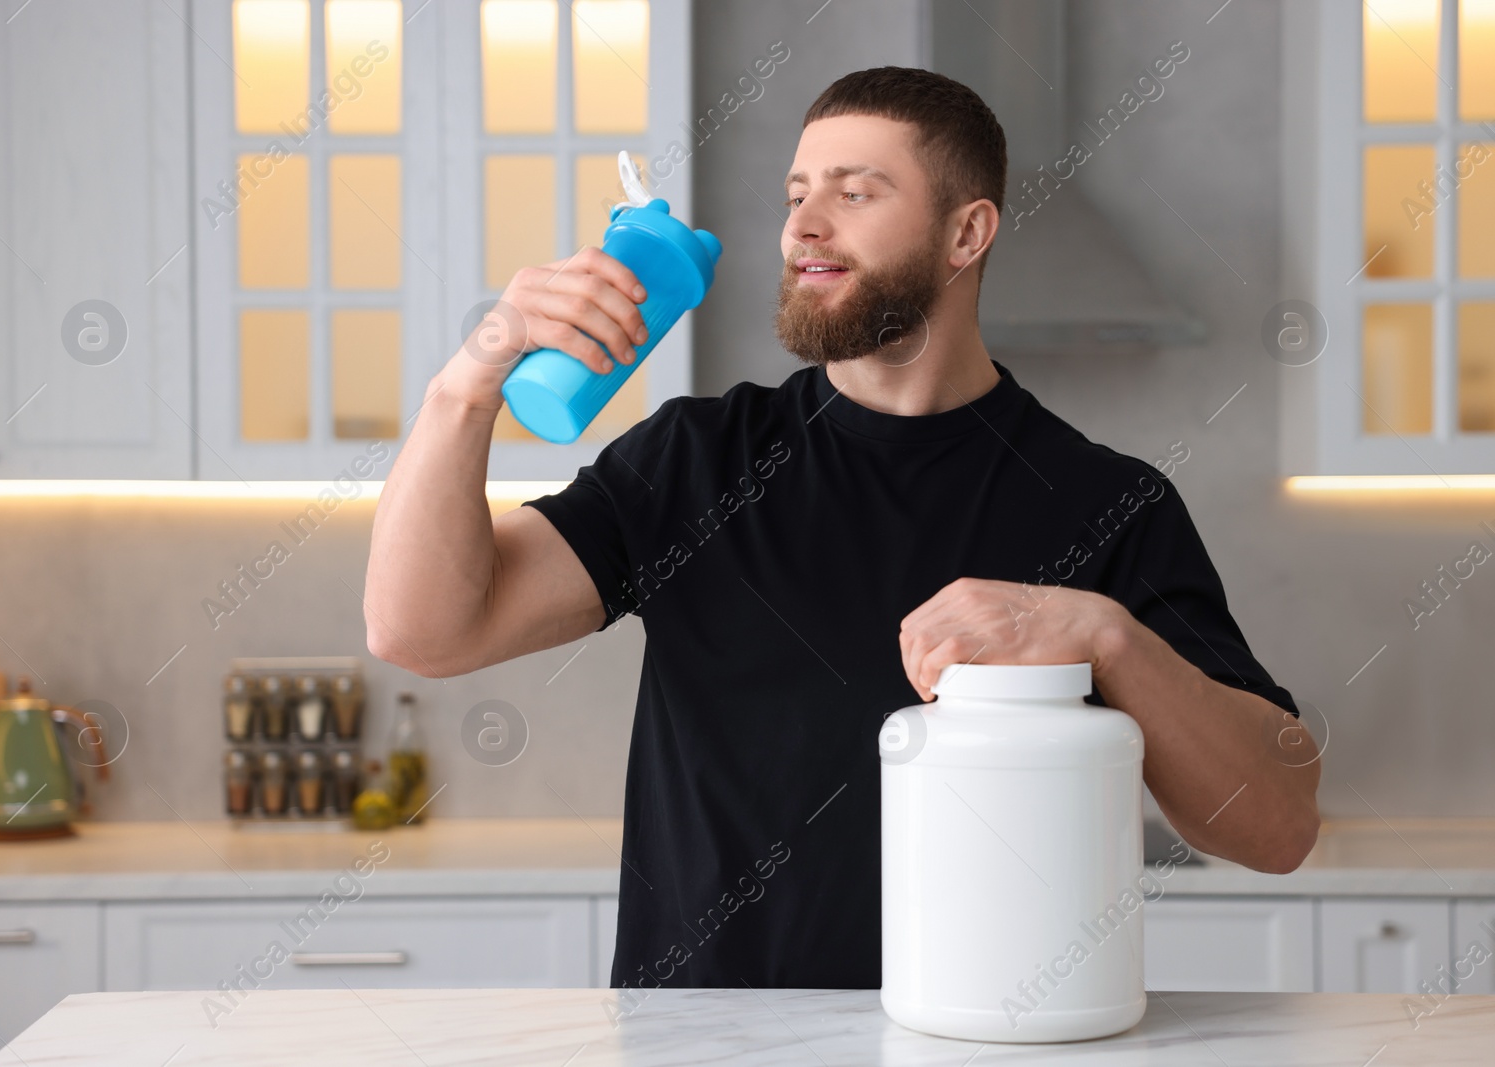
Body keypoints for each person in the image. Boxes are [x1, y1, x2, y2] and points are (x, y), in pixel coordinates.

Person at [364, 66, 1320, 990]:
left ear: (966, 233)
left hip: (984, 1039)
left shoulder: (1108, 502)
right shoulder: (698, 461)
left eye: (854, 193)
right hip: (704, 1043)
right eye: (795, 195)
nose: (801, 228)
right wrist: (469, 380)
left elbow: (1276, 829)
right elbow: (422, 631)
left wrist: (1106, 635)